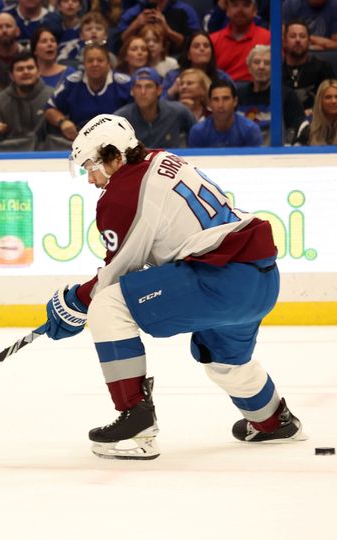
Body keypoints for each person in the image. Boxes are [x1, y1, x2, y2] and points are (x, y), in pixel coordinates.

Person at [43, 113, 306, 460]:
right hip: (260, 277)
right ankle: (274, 421)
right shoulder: (160, 157)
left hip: (220, 279)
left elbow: (118, 274)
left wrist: (75, 301)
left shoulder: (121, 196)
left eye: (92, 166)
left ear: (115, 156)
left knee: (107, 305)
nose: (90, 179)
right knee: (225, 361)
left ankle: (136, 424)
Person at [44, 42, 132, 141]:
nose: (95, 64)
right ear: (83, 64)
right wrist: (63, 122)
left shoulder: (124, 84)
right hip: (79, 142)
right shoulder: (72, 83)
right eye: (90, 60)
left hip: (119, 141)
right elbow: (49, 109)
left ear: (109, 64)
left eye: (100, 60)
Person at [237, 44, 305, 144]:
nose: (261, 67)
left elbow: (298, 128)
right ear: (249, 68)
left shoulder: (286, 95)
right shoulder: (238, 95)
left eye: (267, 63)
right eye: (256, 62)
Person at [114, 66, 195, 147]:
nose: (143, 92)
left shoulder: (178, 112)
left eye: (148, 86)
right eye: (138, 87)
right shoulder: (121, 119)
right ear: (132, 91)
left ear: (159, 90)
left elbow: (196, 132)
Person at [0, 50, 53, 140]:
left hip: (46, 152)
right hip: (11, 151)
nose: (25, 72)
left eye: (30, 68)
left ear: (38, 71)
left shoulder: (54, 97)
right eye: (20, 69)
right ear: (11, 75)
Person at [188, 79, 262, 147]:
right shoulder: (198, 132)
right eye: (216, 99)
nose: (220, 105)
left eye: (226, 99)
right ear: (210, 103)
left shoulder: (250, 130)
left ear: (235, 101)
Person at [210, 0, 270, 83]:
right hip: (222, 91)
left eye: (246, 5)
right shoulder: (213, 40)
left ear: (255, 10)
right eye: (235, 5)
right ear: (227, 10)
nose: (240, 10)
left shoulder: (268, 38)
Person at [283, 20, 335, 114]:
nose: (298, 40)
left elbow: (333, 100)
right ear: (284, 42)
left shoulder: (322, 67)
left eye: (302, 36)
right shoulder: (276, 70)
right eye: (292, 36)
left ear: (309, 42)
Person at [162, 31, 232, 100]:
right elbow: (159, 105)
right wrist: (173, 91)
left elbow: (232, 102)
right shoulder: (173, 76)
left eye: (206, 46)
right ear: (188, 54)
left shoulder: (222, 77)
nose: (202, 49)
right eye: (196, 46)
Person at [116, 0, 201, 55]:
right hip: (140, 58)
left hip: (176, 58)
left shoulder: (184, 10)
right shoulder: (135, 11)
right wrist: (135, 25)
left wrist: (168, 31)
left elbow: (192, 45)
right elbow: (119, 43)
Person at [294, 79, 337, 145]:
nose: (334, 101)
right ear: (320, 101)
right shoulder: (306, 128)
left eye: (336, 97)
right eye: (328, 97)